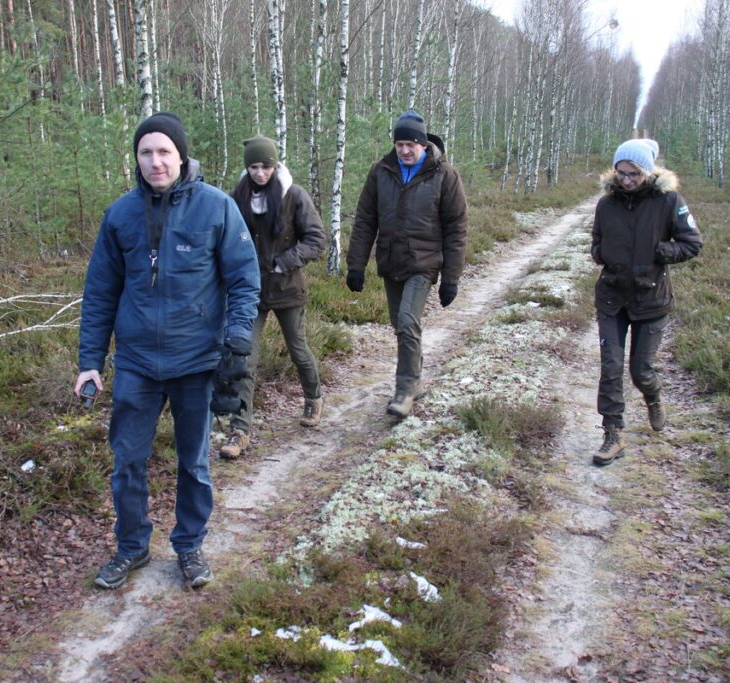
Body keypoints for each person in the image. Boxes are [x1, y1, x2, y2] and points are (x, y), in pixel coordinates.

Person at [74, 112, 260, 588]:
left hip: (196, 360)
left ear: (181, 155)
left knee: (193, 462)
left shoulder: (216, 208)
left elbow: (244, 279)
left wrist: (237, 335)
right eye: (145, 153)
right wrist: (90, 362)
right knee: (127, 461)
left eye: (164, 152)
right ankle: (132, 547)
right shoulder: (119, 216)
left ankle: (190, 547)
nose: (155, 162)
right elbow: (99, 293)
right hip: (137, 361)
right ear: (136, 158)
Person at [345, 111, 468, 418]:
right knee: (401, 327)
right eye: (400, 144)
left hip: (423, 263)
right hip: (390, 261)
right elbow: (365, 220)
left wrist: (451, 277)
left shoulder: (444, 175)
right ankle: (412, 379)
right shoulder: (381, 172)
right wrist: (355, 265)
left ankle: (404, 391)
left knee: (407, 322)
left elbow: (456, 228)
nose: (405, 150)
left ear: (423, 144)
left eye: (411, 144)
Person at [590, 138, 702, 466]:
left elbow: (692, 243)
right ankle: (613, 433)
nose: (626, 180)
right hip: (612, 297)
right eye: (621, 173)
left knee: (640, 370)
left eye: (634, 174)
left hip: (652, 299)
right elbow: (597, 240)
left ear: (648, 173)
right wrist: (600, 253)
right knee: (611, 367)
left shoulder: (669, 201)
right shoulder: (606, 204)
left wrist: (662, 251)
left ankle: (653, 397)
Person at [218, 136, 327, 459]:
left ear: (275, 165)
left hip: (287, 288)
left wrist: (285, 261)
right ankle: (240, 430)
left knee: (298, 350)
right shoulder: (235, 199)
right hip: (248, 293)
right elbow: (221, 238)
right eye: (254, 166)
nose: (260, 173)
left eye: (266, 166)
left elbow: (316, 239)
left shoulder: (294, 195)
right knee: (244, 358)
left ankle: (313, 397)